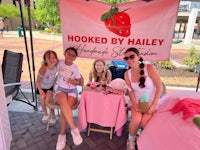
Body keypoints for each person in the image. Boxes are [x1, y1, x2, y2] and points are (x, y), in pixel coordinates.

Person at [123, 47, 162, 150]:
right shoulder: (127, 74)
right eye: (126, 58)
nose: (129, 60)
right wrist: (134, 104)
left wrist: (153, 105)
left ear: (139, 57)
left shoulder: (149, 68)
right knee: (136, 120)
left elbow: (159, 87)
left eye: (132, 56)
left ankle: (143, 139)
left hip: (151, 102)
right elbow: (130, 90)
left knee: (145, 122)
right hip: (137, 102)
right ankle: (131, 139)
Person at [55, 47, 83, 150]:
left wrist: (74, 82)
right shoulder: (59, 62)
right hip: (60, 89)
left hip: (72, 90)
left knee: (64, 110)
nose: (70, 56)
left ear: (75, 58)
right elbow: (49, 64)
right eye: (69, 54)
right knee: (63, 102)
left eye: (73, 55)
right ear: (64, 54)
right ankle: (74, 129)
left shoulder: (76, 68)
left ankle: (62, 135)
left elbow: (78, 82)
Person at [36, 50, 58, 126]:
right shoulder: (43, 68)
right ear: (45, 60)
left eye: (54, 57)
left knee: (48, 102)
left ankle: (54, 117)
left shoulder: (57, 66)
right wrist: (40, 90)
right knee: (43, 103)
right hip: (41, 88)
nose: (52, 60)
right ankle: (45, 114)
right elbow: (38, 81)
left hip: (50, 87)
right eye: (49, 58)